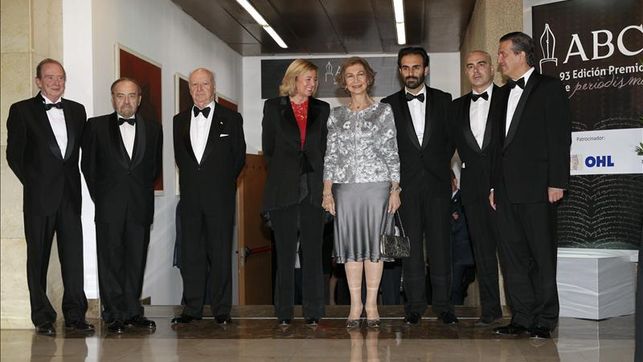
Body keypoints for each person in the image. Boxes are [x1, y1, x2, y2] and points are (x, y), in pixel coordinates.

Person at [490, 32, 571, 339]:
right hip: (506, 191)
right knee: (512, 257)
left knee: (541, 255)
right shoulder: (502, 93)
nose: (500, 60)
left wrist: (557, 182)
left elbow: (560, 137)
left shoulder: (549, 88)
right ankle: (521, 317)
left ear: (521, 55)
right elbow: (499, 146)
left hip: (539, 189)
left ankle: (545, 318)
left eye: (503, 54)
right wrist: (493, 187)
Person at [6, 58, 93, 336]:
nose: (57, 82)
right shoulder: (21, 110)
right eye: (50, 77)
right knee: (38, 259)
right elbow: (14, 155)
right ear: (38, 81)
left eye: (61, 78)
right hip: (39, 199)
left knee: (73, 259)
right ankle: (42, 316)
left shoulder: (78, 111)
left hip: (70, 197)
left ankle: (75, 315)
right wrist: (34, 182)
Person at [322, 57, 401, 329]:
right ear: (343, 82)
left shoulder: (384, 111)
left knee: (375, 248)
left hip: (378, 187)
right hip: (345, 190)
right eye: (350, 76)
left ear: (369, 78)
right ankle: (355, 306)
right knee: (351, 249)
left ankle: (372, 305)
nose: (355, 80)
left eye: (360, 75)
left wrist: (395, 188)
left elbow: (392, 151)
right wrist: (327, 191)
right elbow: (330, 155)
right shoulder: (335, 115)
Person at [382, 47, 457, 325]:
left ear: (426, 69)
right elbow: (386, 147)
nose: (410, 73)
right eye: (405, 67)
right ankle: (414, 306)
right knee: (408, 248)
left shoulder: (445, 100)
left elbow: (450, 140)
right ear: (400, 70)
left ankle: (444, 306)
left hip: (438, 185)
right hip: (404, 189)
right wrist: (393, 186)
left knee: (441, 247)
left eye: (415, 67)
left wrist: (441, 167)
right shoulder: (387, 105)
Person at [81, 77, 162, 333]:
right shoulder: (95, 127)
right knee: (110, 260)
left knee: (136, 260)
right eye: (120, 95)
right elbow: (89, 168)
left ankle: (132, 311)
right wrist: (103, 198)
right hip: (109, 207)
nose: (126, 101)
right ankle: (113, 313)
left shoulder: (154, 128)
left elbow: (153, 169)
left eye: (131, 95)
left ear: (139, 99)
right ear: (112, 97)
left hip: (140, 206)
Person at [172, 68, 246, 325]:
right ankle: (192, 308)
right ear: (189, 88)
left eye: (204, 84)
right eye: (194, 85)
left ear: (214, 87)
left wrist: (220, 185)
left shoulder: (232, 119)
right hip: (191, 199)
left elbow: (238, 158)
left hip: (220, 199)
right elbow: (182, 159)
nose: (199, 89)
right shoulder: (178, 120)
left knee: (220, 254)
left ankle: (221, 309)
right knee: (191, 254)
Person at [261, 59, 330, 327]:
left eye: (314, 79)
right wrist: (287, 173)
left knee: (313, 255)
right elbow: (269, 150)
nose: (312, 84)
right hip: (283, 190)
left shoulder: (323, 109)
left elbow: (326, 149)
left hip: (313, 191)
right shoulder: (273, 107)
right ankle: (284, 312)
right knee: (285, 255)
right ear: (294, 79)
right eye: (308, 79)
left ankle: (313, 311)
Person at [450, 50, 503, 325]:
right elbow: (443, 147)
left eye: (481, 64)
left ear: (492, 67)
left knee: (512, 251)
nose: (476, 70)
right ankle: (491, 311)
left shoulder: (508, 98)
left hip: (505, 185)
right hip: (472, 189)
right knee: (483, 254)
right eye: (470, 66)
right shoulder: (456, 107)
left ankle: (523, 311)